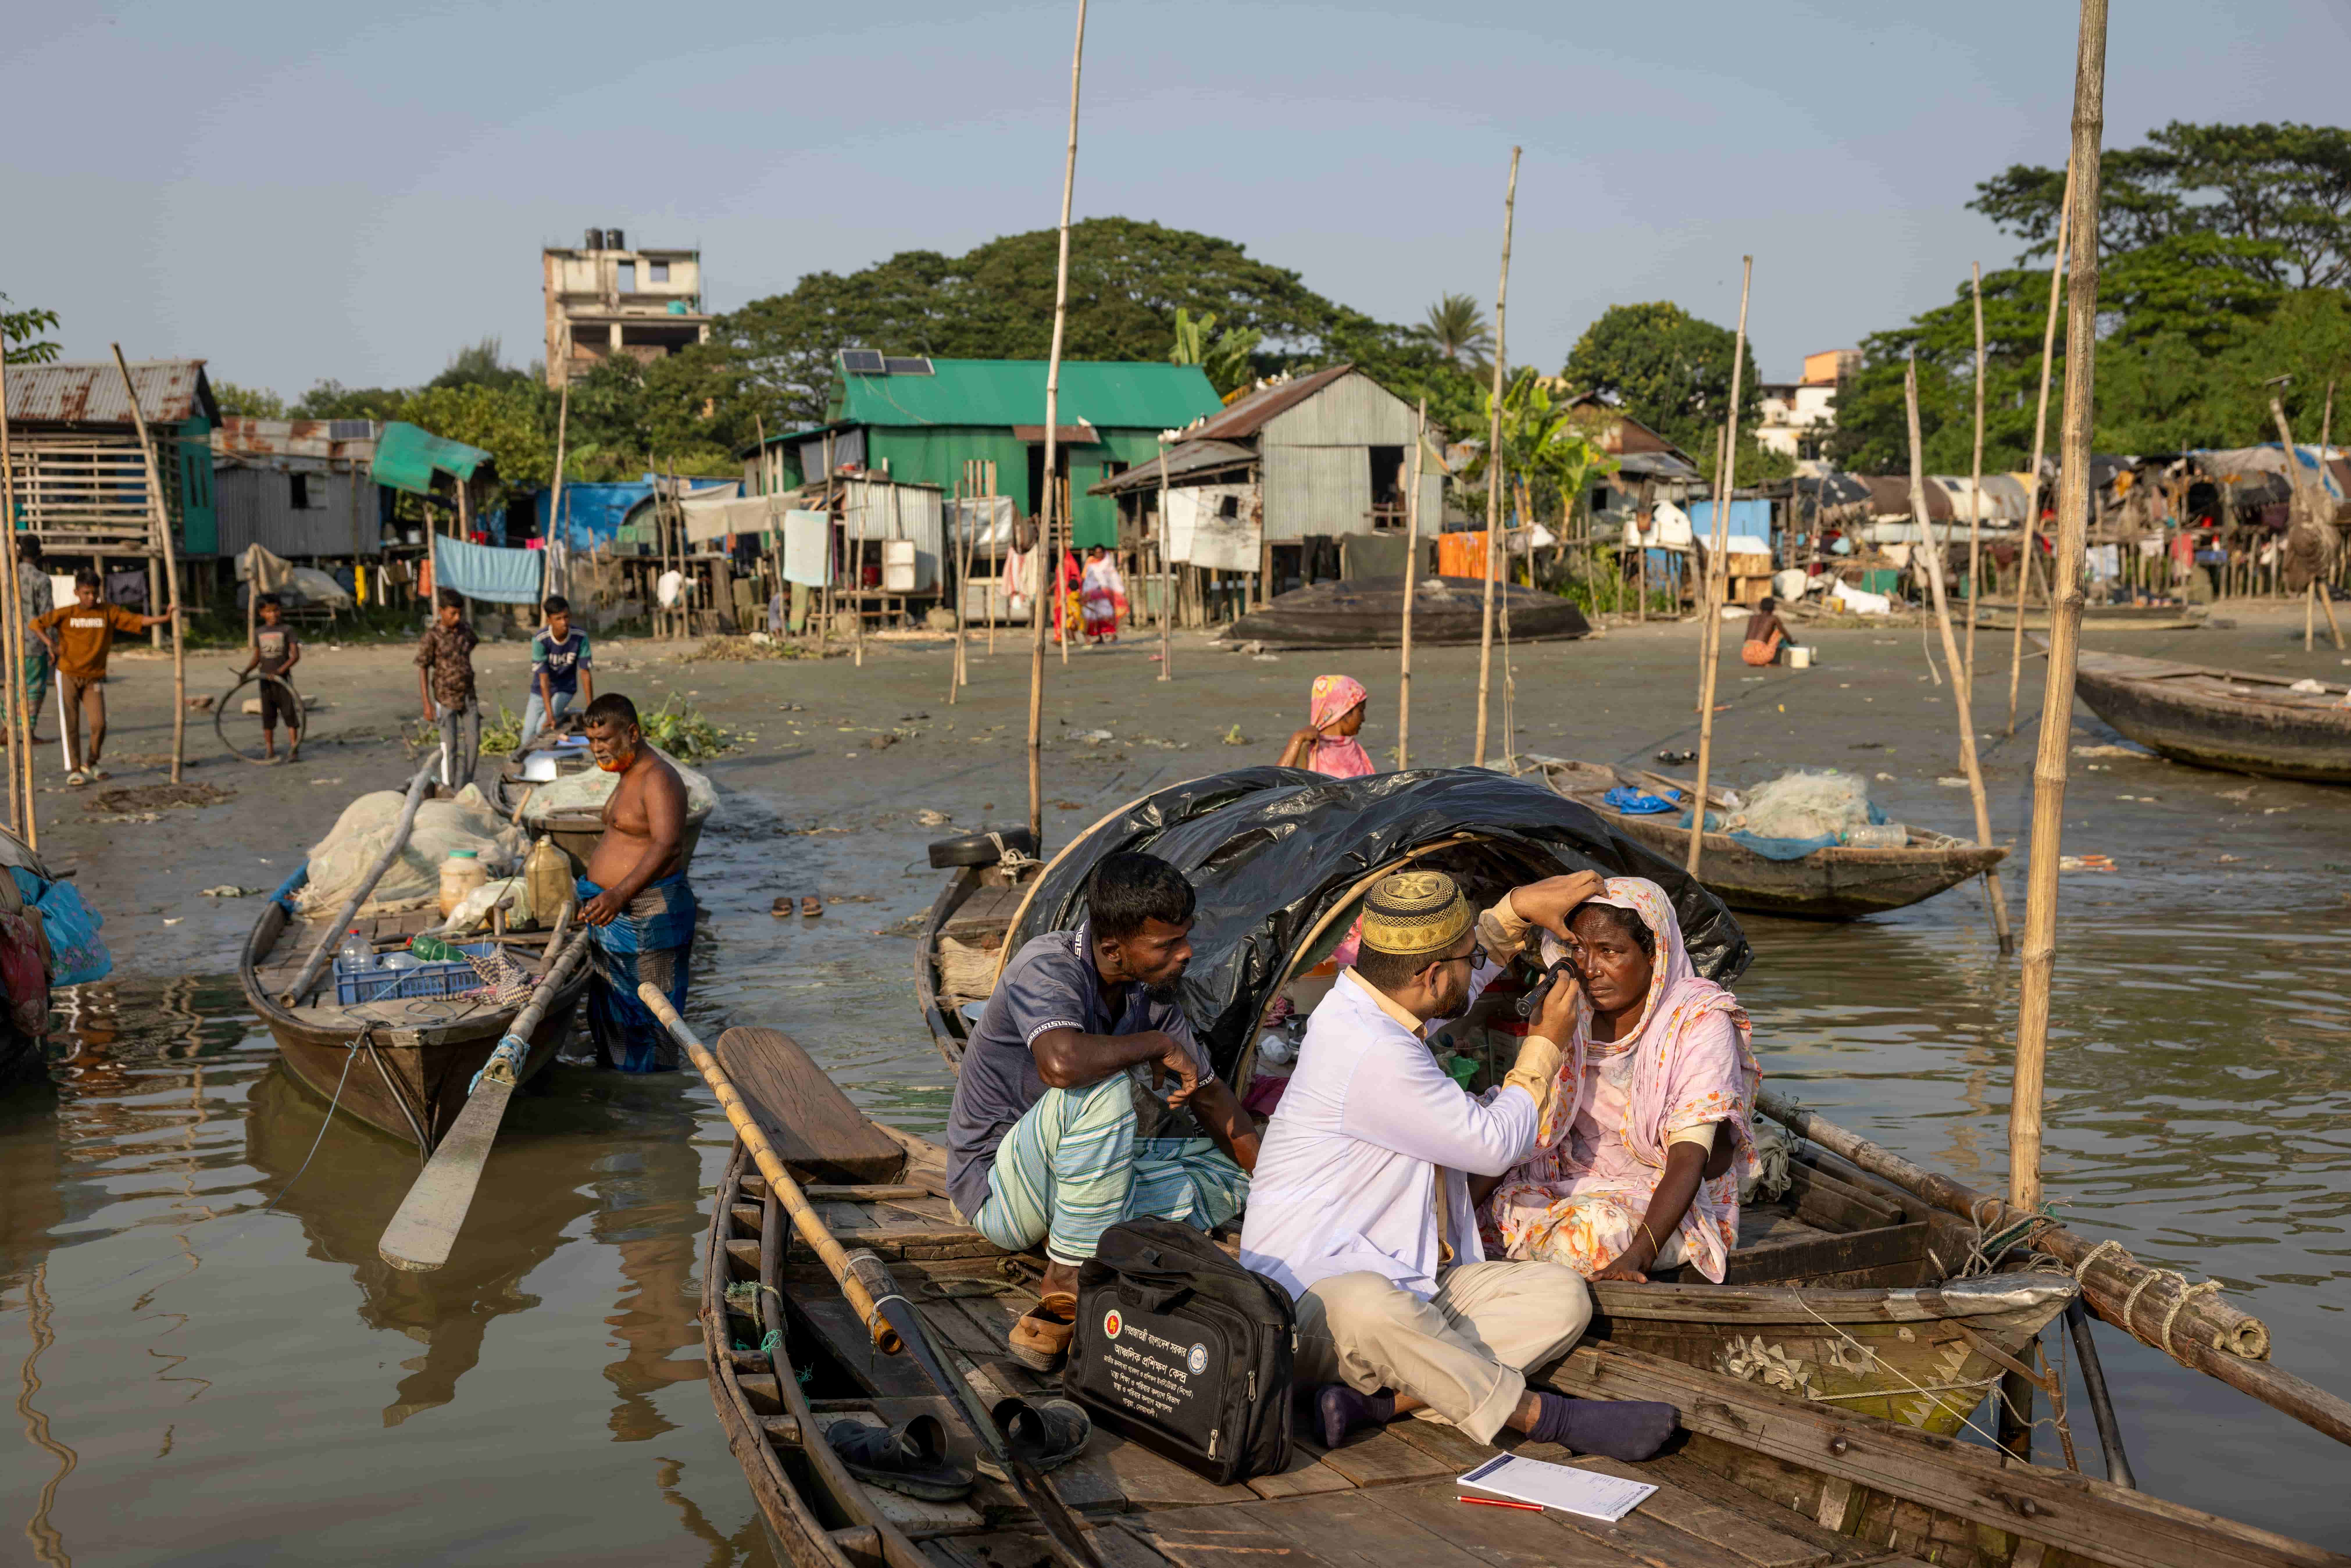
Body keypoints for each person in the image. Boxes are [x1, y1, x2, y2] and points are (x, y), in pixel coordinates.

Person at [1239, 868, 1677, 1460]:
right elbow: (1494, 1145)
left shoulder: (1367, 1004)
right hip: (1307, 1305)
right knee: (1369, 1306)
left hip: (1407, 1275)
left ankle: (1382, 1401)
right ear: (1429, 973)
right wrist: (1543, 1044)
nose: (1476, 971)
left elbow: (1448, 992)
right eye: (1469, 960)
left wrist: (1517, 905)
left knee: (1560, 1299)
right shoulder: (1371, 1050)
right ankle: (1540, 1416)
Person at [946, 851, 1256, 1371]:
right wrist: (1155, 1043)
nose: (1186, 953)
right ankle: (1065, 1279)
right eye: (1168, 944)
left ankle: (1087, 1230)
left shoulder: (1148, 992)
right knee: (1104, 1090)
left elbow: (1209, 1098)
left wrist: (1280, 1190)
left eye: (1186, 937)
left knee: (1235, 1162)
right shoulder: (1045, 966)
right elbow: (1061, 1064)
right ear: (1112, 947)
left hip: (1067, 1178)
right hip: (998, 1187)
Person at [1485, 877, 1760, 1285]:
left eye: (1609, 951)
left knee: (1587, 1231)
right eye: (1578, 949)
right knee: (1452, 1188)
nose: (1589, 969)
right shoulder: (1570, 1012)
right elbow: (1527, 1116)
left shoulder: (1698, 1020)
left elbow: (1689, 1156)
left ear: (1654, 954)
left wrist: (1637, 1256)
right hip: (1566, 1179)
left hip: (1664, 1201)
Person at [577, 693, 697, 1072]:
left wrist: (618, 893)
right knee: (616, 1012)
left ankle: (656, 1111)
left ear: (632, 733)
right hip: (615, 913)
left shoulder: (659, 778)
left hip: (650, 914)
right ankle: (621, 1094)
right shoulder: (627, 774)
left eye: (606, 740)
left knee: (654, 1016)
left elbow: (668, 845)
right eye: (592, 742)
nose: (598, 749)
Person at [32, 569, 174, 786]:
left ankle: (92, 762)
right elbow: (36, 624)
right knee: (71, 724)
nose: (92, 598)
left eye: (95, 593)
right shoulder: (67, 613)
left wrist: (164, 618)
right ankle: (75, 769)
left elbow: (136, 620)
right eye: (87, 593)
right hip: (68, 674)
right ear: (77, 592)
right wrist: (51, 645)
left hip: (93, 678)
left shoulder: (108, 612)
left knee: (99, 724)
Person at [415, 587, 481, 791]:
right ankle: (449, 788)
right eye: (453, 613)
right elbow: (423, 669)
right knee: (449, 749)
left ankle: (466, 786)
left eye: (460, 613)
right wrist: (427, 704)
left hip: (469, 698)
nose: (457, 617)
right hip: (445, 699)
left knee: (474, 743)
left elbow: (472, 645)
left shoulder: (466, 631)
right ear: (441, 611)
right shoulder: (432, 637)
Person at [517, 594, 594, 749]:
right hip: (541, 690)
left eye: (566, 617)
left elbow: (585, 674)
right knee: (527, 734)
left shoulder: (580, 637)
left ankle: (548, 757)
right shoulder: (541, 640)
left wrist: (591, 708)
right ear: (549, 620)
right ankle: (531, 762)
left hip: (565, 689)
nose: (564, 623)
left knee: (541, 728)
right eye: (558, 619)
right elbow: (544, 679)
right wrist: (550, 714)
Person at [235, 593, 303, 763]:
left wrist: (281, 671)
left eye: (276, 610)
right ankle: (270, 750)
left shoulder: (288, 630)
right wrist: (245, 672)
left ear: (281, 611)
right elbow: (257, 658)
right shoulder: (260, 632)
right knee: (268, 715)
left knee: (289, 714)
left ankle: (294, 749)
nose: (273, 615)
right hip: (265, 680)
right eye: (269, 611)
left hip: (283, 681)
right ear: (262, 614)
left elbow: (295, 656)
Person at [1275, 674, 1374, 777]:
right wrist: (1297, 740)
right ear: (1344, 710)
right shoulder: (1309, 747)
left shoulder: (1354, 750)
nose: (1363, 719)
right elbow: (1277, 784)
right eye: (1361, 711)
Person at [15, 536, 52, 744]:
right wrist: (53, 643)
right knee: (34, 687)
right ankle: (28, 731)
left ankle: (8, 728)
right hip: (35, 641)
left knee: (16, 683)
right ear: (39, 553)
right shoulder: (41, 579)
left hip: (12, 640)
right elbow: (47, 615)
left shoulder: (9, 576)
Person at [1078, 545, 1126, 643]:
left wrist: (1118, 592)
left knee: (1107, 614)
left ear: (1104, 553)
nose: (1099, 554)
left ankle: (1113, 635)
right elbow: (1088, 580)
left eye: (1101, 552)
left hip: (1105, 594)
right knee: (1095, 616)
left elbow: (1113, 578)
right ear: (1094, 553)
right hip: (1093, 594)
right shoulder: (1091, 566)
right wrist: (1087, 592)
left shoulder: (1107, 564)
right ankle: (1100, 637)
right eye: (1097, 552)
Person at [1740, 597, 1787, 666]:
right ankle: (1764, 660)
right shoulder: (1773, 618)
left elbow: (1747, 637)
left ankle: (1755, 660)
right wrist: (1792, 642)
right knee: (1777, 633)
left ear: (1760, 607)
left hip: (1746, 655)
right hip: (1762, 656)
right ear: (1773, 608)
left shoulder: (1753, 618)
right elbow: (1785, 634)